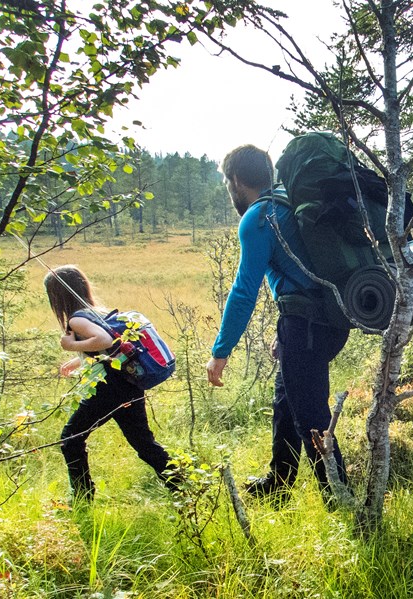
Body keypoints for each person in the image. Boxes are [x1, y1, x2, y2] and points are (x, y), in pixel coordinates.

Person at [205, 144, 349, 502]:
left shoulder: (259, 217)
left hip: (307, 327)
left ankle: (340, 500)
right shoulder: (289, 200)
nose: (229, 189)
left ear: (237, 180)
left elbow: (243, 291)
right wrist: (285, 336)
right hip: (327, 319)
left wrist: (220, 352)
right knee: (286, 400)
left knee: (311, 417)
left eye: (227, 182)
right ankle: (278, 482)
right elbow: (298, 273)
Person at [45, 265, 176, 502]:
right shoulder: (96, 311)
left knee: (70, 438)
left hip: (110, 387)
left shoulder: (76, 319)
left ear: (57, 297)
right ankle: (184, 487)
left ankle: (83, 498)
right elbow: (108, 347)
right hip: (128, 382)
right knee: (144, 444)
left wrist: (70, 345)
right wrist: (76, 361)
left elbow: (103, 339)